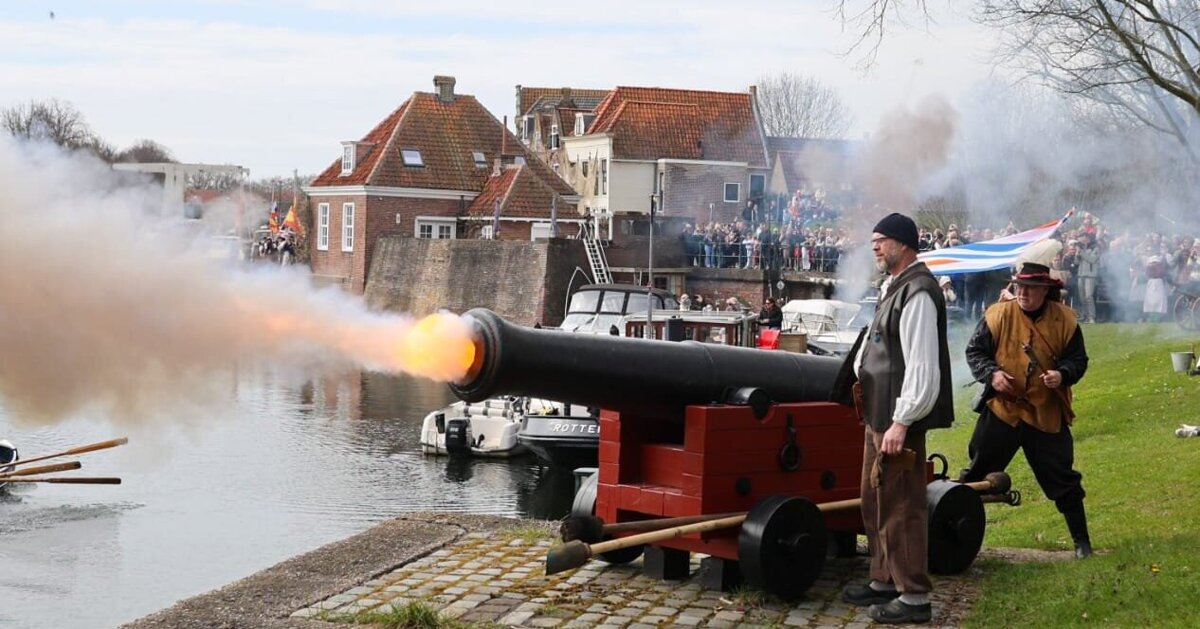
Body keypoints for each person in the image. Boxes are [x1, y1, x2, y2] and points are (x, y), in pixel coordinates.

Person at [833, 212, 955, 625]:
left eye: (881, 242)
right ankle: (883, 578)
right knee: (875, 502)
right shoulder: (895, 287)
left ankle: (914, 596)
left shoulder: (918, 292)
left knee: (903, 506)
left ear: (903, 244)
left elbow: (923, 366)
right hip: (879, 413)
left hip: (897, 418)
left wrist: (903, 420)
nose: (876, 249)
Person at [961, 262, 1093, 558]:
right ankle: (958, 541)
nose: (1023, 293)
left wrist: (1062, 375)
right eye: (1019, 287)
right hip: (1002, 411)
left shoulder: (1066, 321)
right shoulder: (997, 314)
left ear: (1045, 291)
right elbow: (975, 352)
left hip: (1045, 413)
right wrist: (992, 374)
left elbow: (1078, 360)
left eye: (1031, 288)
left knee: (1063, 479)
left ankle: (1082, 543)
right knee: (976, 477)